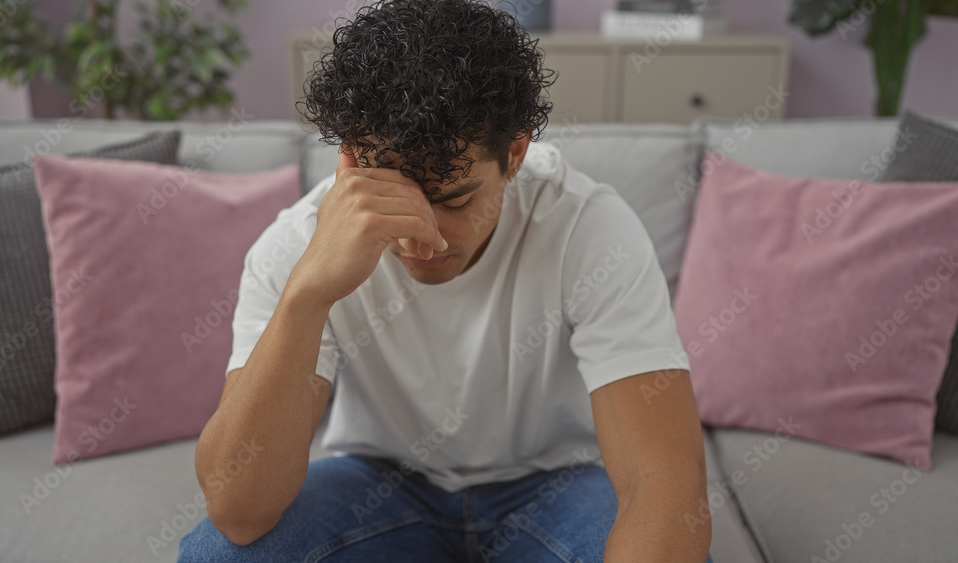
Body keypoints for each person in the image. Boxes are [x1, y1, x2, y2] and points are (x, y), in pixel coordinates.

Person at [178, 1, 713, 561]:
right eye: (392, 202)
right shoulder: (293, 246)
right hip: (379, 484)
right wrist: (307, 294)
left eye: (453, 200)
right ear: (350, 162)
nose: (420, 239)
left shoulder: (591, 228)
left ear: (514, 154)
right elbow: (237, 512)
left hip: (556, 485)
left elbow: (665, 483)